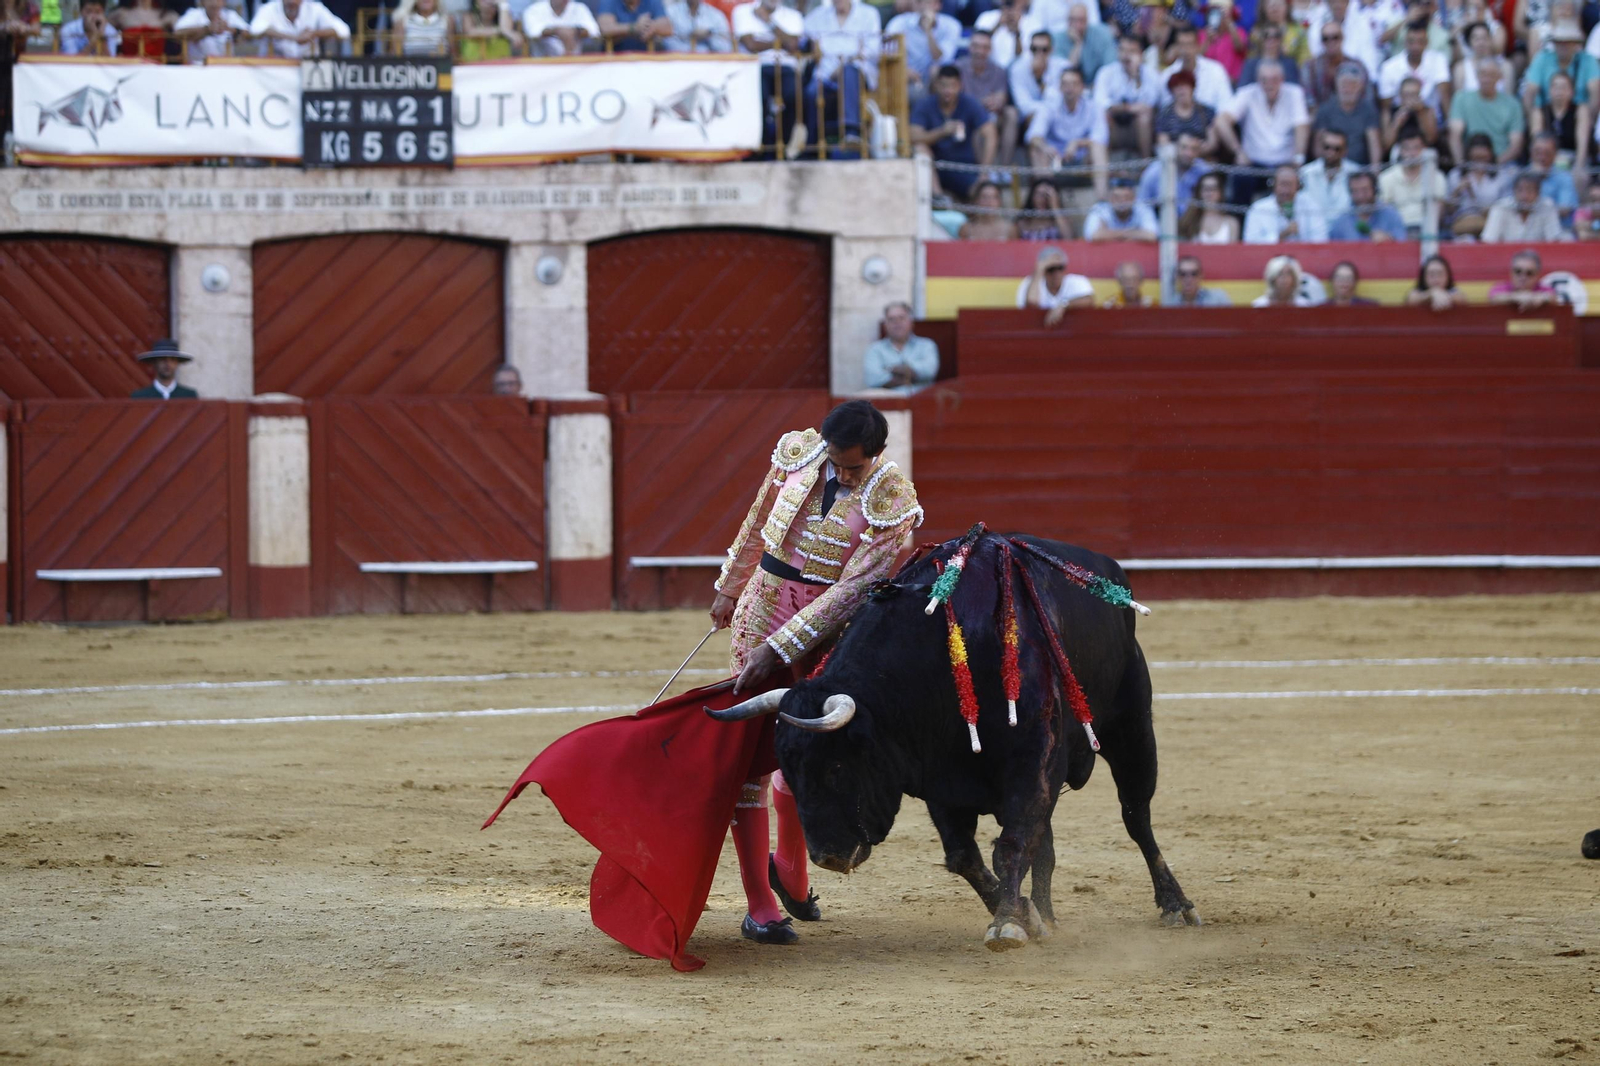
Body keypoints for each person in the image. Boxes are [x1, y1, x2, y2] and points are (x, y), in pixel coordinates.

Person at [703, 400, 923, 946]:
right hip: (763, 602)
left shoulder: (893, 497)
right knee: (751, 752)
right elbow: (758, 523)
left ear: (877, 454)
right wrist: (730, 587)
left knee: (813, 743)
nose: (844, 475)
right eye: (838, 463)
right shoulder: (798, 454)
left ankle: (791, 865)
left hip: (830, 628)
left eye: (855, 467)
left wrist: (781, 647)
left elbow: (854, 588)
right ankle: (760, 903)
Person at [1216, 61, 1312, 204]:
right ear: (1257, 80)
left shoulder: (1294, 93)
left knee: (1298, 180)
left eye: (1274, 79)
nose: (1269, 84)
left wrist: (1299, 158)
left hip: (1285, 164)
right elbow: (1221, 121)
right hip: (1254, 164)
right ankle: (1239, 218)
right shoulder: (1247, 93)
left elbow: (1301, 126)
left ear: (1282, 80)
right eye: (1264, 80)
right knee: (1241, 177)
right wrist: (1238, 151)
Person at [911, 65, 997, 202]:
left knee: (984, 193)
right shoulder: (925, 104)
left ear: (960, 86)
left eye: (952, 86)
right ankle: (939, 198)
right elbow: (913, 137)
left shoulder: (969, 103)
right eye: (944, 85)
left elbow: (990, 134)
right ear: (936, 85)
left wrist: (984, 172)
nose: (948, 91)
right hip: (936, 168)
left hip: (964, 168)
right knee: (920, 148)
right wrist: (941, 132)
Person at [1026, 66, 1111, 200]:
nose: (1069, 88)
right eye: (1065, 84)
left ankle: (1102, 201)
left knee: (1098, 148)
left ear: (1082, 87)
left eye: (1074, 84)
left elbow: (1101, 137)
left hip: (1083, 158)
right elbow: (1033, 136)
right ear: (1060, 87)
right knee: (1037, 149)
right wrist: (1045, 147)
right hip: (1054, 159)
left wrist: (1077, 143)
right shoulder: (1048, 106)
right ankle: (1046, 201)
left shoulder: (1094, 107)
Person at [734, 0, 804, 156]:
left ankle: (781, 146)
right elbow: (751, 45)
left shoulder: (793, 16)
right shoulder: (742, 11)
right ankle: (760, 147)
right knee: (758, 98)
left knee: (794, 96)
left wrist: (769, 22)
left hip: (786, 67)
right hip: (755, 67)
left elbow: (793, 45)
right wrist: (780, 42)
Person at [802, 0, 877, 144]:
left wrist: (845, 64)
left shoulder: (868, 14)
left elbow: (872, 49)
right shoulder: (817, 16)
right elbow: (803, 35)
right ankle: (814, 145)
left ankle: (851, 133)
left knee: (848, 72)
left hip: (857, 73)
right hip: (825, 75)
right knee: (811, 92)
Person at [1094, 33, 1163, 158]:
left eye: (1131, 51)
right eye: (1122, 50)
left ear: (1140, 54)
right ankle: (1104, 163)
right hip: (1115, 126)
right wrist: (1128, 108)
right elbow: (1101, 103)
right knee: (1103, 117)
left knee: (1145, 117)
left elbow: (1151, 104)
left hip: (1140, 127)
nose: (1126, 55)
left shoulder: (1150, 74)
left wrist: (1135, 77)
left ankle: (1145, 162)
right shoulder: (1106, 72)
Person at [1447, 56, 1524, 164]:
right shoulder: (1461, 98)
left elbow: (1516, 145)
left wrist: (1493, 166)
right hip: (1470, 161)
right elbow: (1455, 135)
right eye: (1483, 74)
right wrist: (1461, 165)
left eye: (1491, 75)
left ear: (1500, 77)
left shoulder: (1513, 104)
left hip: (1502, 163)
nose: (1486, 79)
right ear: (1476, 75)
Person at [956, 29, 1017, 158]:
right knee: (981, 123)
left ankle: (1005, 166)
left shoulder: (999, 71)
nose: (980, 51)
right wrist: (979, 103)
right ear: (969, 47)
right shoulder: (958, 68)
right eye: (976, 46)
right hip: (965, 117)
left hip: (991, 116)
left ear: (990, 50)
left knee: (1010, 113)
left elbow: (1002, 96)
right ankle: (982, 168)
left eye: (985, 47)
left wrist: (999, 100)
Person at [885, 0, 963, 99]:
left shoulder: (952, 25)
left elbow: (940, 58)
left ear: (938, 5)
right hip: (908, 77)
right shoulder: (899, 22)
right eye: (919, 2)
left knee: (936, 71)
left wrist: (928, 30)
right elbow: (887, 52)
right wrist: (903, 69)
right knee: (895, 73)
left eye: (928, 2)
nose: (923, 6)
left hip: (936, 79)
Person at [1313, 61, 1383, 164]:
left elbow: (1374, 143)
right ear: (1336, 85)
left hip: (1360, 168)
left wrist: (1375, 169)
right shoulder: (1325, 109)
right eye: (1344, 84)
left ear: (1361, 87)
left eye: (1353, 84)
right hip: (1331, 166)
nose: (1348, 89)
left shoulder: (1368, 109)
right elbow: (1318, 144)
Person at [1377, 131, 1447, 235]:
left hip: (1428, 231)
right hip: (1396, 232)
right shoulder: (1386, 178)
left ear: (1424, 150)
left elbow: (1439, 212)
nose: (1412, 153)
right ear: (1400, 150)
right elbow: (1384, 212)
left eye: (1416, 148)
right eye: (1407, 148)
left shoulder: (1437, 177)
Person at [1377, 20, 1451, 117]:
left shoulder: (1438, 60)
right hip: (1400, 115)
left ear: (1427, 43)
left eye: (1420, 42)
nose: (1416, 46)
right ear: (1405, 43)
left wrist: (1450, 123)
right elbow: (1386, 108)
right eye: (1411, 42)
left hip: (1430, 116)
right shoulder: (1388, 67)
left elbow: (1444, 95)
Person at [1522, 23, 1599, 112]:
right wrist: (1533, 116)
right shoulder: (1542, 58)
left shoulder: (1588, 60)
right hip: (1546, 113)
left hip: (1578, 114)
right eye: (1559, 42)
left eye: (1567, 42)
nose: (1563, 46)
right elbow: (1530, 91)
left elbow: (1595, 93)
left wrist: (1587, 118)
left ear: (1575, 44)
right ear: (1554, 43)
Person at [1445, 132, 1511, 236]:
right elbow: (1448, 212)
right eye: (1476, 158)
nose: (1480, 162)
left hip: (1492, 222)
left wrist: (1487, 209)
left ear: (1491, 155)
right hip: (1463, 223)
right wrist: (1457, 191)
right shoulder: (1456, 175)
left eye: (1483, 158)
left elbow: (1506, 206)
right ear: (1469, 155)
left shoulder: (1501, 176)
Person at [863, 302, 941, 390]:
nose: (897, 322)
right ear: (885, 325)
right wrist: (910, 374)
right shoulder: (874, 349)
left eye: (901, 318)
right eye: (891, 319)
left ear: (911, 323)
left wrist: (890, 369)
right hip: (888, 397)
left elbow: (929, 372)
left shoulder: (927, 345)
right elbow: (873, 380)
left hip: (920, 396)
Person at [1245, 163, 1331, 242]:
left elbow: (1321, 241)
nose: (1286, 190)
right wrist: (1281, 236)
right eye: (1283, 184)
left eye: (1290, 185)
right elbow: (1250, 242)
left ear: (1298, 186)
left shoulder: (1312, 207)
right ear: (1273, 185)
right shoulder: (1258, 209)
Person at [1481, 170, 1570, 242]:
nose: (1524, 196)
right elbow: (1489, 240)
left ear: (1538, 193)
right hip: (1505, 256)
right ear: (1514, 191)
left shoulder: (1547, 207)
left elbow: (1554, 240)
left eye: (1530, 191)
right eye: (1520, 190)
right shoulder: (1500, 207)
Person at [1163, 23, 1235, 112]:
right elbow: (1165, 110)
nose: (1186, 50)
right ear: (1176, 47)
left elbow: (1226, 107)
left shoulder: (1216, 71)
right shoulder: (1167, 75)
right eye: (1182, 45)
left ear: (1197, 46)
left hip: (1212, 120)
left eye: (1190, 44)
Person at [1530, 71, 1590, 173]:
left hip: (1572, 159)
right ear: (1549, 91)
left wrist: (1579, 166)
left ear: (1571, 92)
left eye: (1563, 87)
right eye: (1555, 87)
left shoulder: (1580, 110)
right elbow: (1536, 143)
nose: (1559, 91)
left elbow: (1582, 145)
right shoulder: (1540, 111)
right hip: (1546, 159)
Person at [1017, 245, 1095, 323]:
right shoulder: (1030, 283)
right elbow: (1032, 304)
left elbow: (1089, 300)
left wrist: (1063, 305)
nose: (1057, 273)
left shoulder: (1077, 281)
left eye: (1060, 268)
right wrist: (1038, 271)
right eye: (1051, 269)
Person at [1011, 30, 1068, 132]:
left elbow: (1061, 101)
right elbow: (1023, 105)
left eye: (1044, 50)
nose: (1039, 54)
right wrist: (1044, 111)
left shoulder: (1063, 67)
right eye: (1035, 49)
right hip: (1030, 118)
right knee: (1035, 116)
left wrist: (1040, 80)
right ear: (1029, 49)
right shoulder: (1018, 69)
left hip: (1060, 117)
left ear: (1052, 50)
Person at [1138, 130, 1211, 211]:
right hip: (1160, 217)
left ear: (1199, 151)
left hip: (1194, 217)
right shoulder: (1155, 170)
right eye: (1184, 147)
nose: (1188, 153)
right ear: (1175, 146)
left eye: (1194, 149)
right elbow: (1142, 203)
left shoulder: (1204, 171)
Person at [250, 0, 350, 57]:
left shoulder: (314, 8)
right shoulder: (270, 8)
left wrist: (314, 33)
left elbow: (344, 30)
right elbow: (255, 29)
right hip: (277, 69)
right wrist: (294, 38)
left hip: (308, 68)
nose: (292, 3)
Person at [1299, 127, 1361, 218]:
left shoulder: (1356, 172)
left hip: (1346, 225)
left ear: (1345, 150)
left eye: (1337, 149)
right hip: (1313, 224)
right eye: (1327, 147)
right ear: (1320, 147)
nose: (1331, 152)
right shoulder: (1306, 173)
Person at [1330, 167, 1409, 237]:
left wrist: (1389, 240)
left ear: (1375, 190)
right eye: (1355, 191)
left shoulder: (1391, 215)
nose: (1360, 196)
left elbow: (1402, 242)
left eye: (1365, 190)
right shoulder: (1341, 222)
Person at [1055, 2, 1118, 86]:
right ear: (1067, 21)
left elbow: (1110, 67)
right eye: (1073, 20)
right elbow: (1065, 75)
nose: (1077, 25)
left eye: (1081, 20)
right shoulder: (1058, 39)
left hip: (1098, 85)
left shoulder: (1103, 34)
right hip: (1070, 89)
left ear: (1087, 20)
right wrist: (1077, 45)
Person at [1154, 71, 1217, 152]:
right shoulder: (1165, 113)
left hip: (1201, 155)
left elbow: (1212, 143)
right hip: (1174, 157)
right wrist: (1183, 149)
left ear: (1192, 88)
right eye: (1177, 87)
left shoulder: (1205, 111)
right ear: (1172, 91)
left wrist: (1194, 150)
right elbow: (1163, 142)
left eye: (1185, 86)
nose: (1181, 90)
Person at [973, 0, 1044, 69]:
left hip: (1019, 71)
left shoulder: (1034, 24)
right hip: (989, 69)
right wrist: (998, 25)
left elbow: (1023, 57)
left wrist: (1017, 33)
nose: (1010, 7)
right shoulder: (985, 18)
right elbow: (978, 45)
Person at [1085, 176, 1160, 241]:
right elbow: (1093, 236)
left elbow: (1152, 235)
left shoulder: (1142, 208)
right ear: (1109, 198)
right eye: (1117, 197)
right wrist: (1136, 233)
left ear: (1134, 198)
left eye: (1126, 197)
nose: (1122, 201)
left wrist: (1109, 233)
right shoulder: (1100, 209)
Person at [1380, 75, 1439, 156]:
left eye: (1414, 94)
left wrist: (1421, 114)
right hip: (1399, 153)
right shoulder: (1389, 112)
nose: (1410, 99)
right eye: (1407, 95)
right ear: (1400, 95)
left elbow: (1431, 139)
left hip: (1422, 152)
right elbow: (1386, 145)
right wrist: (1396, 123)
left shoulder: (1427, 111)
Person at [174, 0, 250, 61]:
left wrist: (230, 29)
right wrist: (207, 29)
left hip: (226, 66)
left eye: (218, 0)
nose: (214, 3)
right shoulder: (194, 14)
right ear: (202, 2)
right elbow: (177, 33)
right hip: (198, 66)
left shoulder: (230, 15)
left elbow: (249, 35)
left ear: (224, 2)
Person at [1178, 170, 1242, 242]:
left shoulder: (1231, 223)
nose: (1209, 193)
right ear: (1199, 192)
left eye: (1213, 189)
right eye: (1205, 189)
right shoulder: (1189, 221)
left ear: (1220, 192)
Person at [1452, 18, 1512, 93]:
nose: (1481, 43)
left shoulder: (1505, 67)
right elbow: (1459, 98)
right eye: (1476, 39)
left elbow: (1509, 97)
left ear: (1491, 40)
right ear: (1469, 42)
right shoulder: (1460, 68)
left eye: (1484, 38)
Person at [1487, 249, 1562, 307]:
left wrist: (1542, 298)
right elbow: (1494, 298)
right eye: (1518, 271)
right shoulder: (1501, 287)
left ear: (1537, 275)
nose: (1523, 277)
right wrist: (1517, 297)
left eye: (1529, 273)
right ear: (1511, 272)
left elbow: (1554, 298)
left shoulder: (1543, 289)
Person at [1528, 132, 1579, 217]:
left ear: (1555, 154)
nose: (1542, 158)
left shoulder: (1565, 178)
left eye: (1547, 153)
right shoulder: (1520, 175)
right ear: (1530, 152)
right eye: (1538, 152)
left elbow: (1564, 210)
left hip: (1557, 224)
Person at [522, 0, 598, 55]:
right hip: (543, 64)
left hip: (576, 63)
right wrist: (556, 31)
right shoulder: (534, 10)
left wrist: (575, 31)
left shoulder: (579, 8)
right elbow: (532, 33)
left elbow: (594, 31)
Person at [131, 340, 199, 400]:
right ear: (154, 363)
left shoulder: (189, 396)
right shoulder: (140, 397)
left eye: (172, 359)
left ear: (177, 363)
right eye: (162, 359)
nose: (168, 364)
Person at [1200, 0, 1250, 82]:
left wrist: (1229, 23)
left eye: (1219, 13)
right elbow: (1197, 58)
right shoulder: (1202, 34)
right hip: (1207, 81)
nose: (1216, 16)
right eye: (1212, 12)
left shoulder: (1239, 32)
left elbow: (1240, 48)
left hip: (1232, 82)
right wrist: (1207, 42)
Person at [457, 0, 522, 59]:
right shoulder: (468, 15)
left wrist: (503, 5)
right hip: (472, 63)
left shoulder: (504, 14)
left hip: (500, 62)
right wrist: (501, 31)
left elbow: (507, 29)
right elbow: (470, 31)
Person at [596, 0, 670, 51]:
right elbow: (605, 29)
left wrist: (650, 26)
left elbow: (668, 29)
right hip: (615, 61)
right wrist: (634, 27)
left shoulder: (652, 1)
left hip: (646, 60)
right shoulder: (610, 1)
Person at [666, 0, 733, 51]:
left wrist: (709, 35)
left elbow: (726, 47)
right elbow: (667, 43)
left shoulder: (716, 15)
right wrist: (691, 38)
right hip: (680, 61)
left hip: (711, 62)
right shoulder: (671, 12)